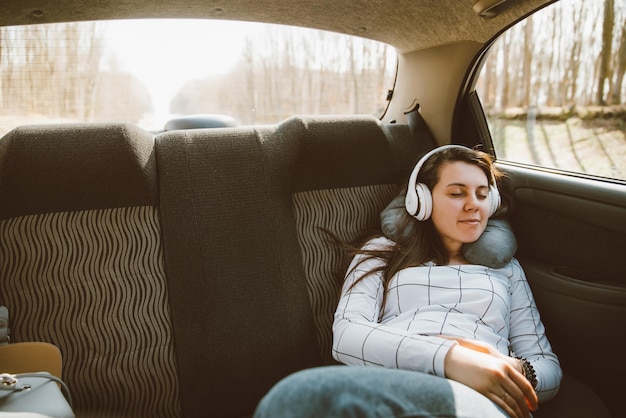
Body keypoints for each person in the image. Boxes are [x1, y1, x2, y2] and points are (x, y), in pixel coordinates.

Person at [254, 145, 562, 418]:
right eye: (457, 193)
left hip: (480, 395)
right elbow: (347, 335)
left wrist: (514, 371)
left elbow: (547, 366)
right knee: (300, 396)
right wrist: (451, 359)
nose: (473, 205)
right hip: (395, 378)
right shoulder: (381, 252)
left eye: (482, 194)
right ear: (421, 201)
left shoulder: (508, 269)